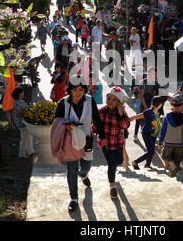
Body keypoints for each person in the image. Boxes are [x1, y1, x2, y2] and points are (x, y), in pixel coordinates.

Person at [54, 74, 105, 212]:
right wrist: (65, 125)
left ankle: (83, 175)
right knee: (71, 170)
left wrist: (103, 136)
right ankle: (73, 198)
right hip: (70, 143)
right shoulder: (63, 103)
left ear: (85, 90)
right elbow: (56, 121)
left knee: (86, 166)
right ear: (70, 89)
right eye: (75, 89)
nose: (78, 93)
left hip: (86, 141)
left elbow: (97, 120)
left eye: (81, 90)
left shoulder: (90, 101)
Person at [93, 86, 130, 199]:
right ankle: (112, 186)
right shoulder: (101, 111)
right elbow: (96, 125)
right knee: (112, 164)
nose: (110, 101)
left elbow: (126, 125)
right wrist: (93, 131)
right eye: (109, 98)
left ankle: (112, 175)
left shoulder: (122, 113)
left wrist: (120, 114)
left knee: (119, 160)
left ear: (119, 102)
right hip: (105, 143)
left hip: (118, 142)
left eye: (114, 99)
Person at [158, 94, 183, 178]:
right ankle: (177, 169)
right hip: (180, 143)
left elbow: (163, 130)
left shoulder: (167, 116)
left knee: (165, 156)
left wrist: (160, 141)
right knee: (178, 159)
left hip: (168, 142)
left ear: (171, 105)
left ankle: (174, 167)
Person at [130, 96, 165, 170]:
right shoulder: (149, 111)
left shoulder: (157, 113)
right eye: (161, 104)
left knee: (152, 150)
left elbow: (156, 123)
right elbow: (140, 115)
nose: (162, 105)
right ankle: (135, 162)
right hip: (147, 133)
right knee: (150, 151)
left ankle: (147, 165)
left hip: (153, 133)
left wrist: (160, 125)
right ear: (159, 104)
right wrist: (132, 118)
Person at [134, 67, 160, 142]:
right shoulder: (142, 82)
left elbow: (157, 93)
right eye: (153, 74)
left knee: (153, 119)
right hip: (142, 102)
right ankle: (135, 134)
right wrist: (146, 108)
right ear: (148, 74)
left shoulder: (155, 83)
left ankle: (153, 136)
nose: (154, 75)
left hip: (150, 102)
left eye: (155, 74)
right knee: (139, 118)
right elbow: (141, 96)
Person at [12, 87, 35, 159]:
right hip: (23, 122)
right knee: (24, 138)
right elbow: (20, 113)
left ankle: (30, 151)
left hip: (20, 122)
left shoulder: (16, 101)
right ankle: (22, 154)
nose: (23, 94)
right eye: (22, 93)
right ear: (19, 94)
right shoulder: (20, 103)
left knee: (28, 136)